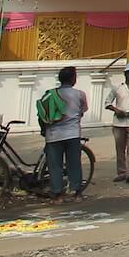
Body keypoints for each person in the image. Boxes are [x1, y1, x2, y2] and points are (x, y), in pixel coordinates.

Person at [41, 65, 89, 200]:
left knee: (54, 166)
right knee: (74, 164)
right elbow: (82, 111)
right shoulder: (80, 94)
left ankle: (57, 195)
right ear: (73, 79)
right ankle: (77, 192)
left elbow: (42, 114)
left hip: (53, 135)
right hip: (72, 134)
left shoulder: (50, 94)